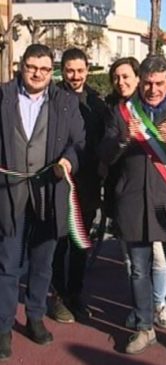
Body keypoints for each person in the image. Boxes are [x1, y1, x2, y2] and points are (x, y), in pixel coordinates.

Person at [99, 55, 166, 361]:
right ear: (140, 81)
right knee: (138, 271)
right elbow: (103, 154)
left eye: (160, 83)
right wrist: (123, 139)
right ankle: (145, 327)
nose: (153, 89)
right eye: (147, 83)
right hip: (133, 202)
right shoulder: (122, 112)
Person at [0, 44, 85, 361]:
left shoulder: (65, 102)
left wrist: (68, 162)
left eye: (44, 68)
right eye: (32, 66)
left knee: (42, 263)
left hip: (49, 194)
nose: (37, 73)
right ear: (21, 66)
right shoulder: (3, 96)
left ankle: (35, 316)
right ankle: (3, 328)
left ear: (53, 72)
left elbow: (79, 143)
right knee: (7, 265)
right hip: (8, 194)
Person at [105, 57, 166, 329]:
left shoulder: (156, 107)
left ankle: (159, 304)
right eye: (116, 78)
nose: (121, 82)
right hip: (122, 191)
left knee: (159, 256)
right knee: (132, 260)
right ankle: (140, 308)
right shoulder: (114, 110)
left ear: (139, 78)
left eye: (126, 77)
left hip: (156, 191)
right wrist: (122, 140)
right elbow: (105, 151)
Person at [48, 48, 106, 323]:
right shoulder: (51, 97)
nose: (75, 76)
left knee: (81, 242)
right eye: (70, 70)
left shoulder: (97, 101)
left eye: (80, 70)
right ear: (63, 70)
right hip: (58, 182)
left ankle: (75, 293)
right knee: (58, 242)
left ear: (87, 70)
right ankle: (57, 295)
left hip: (88, 184)